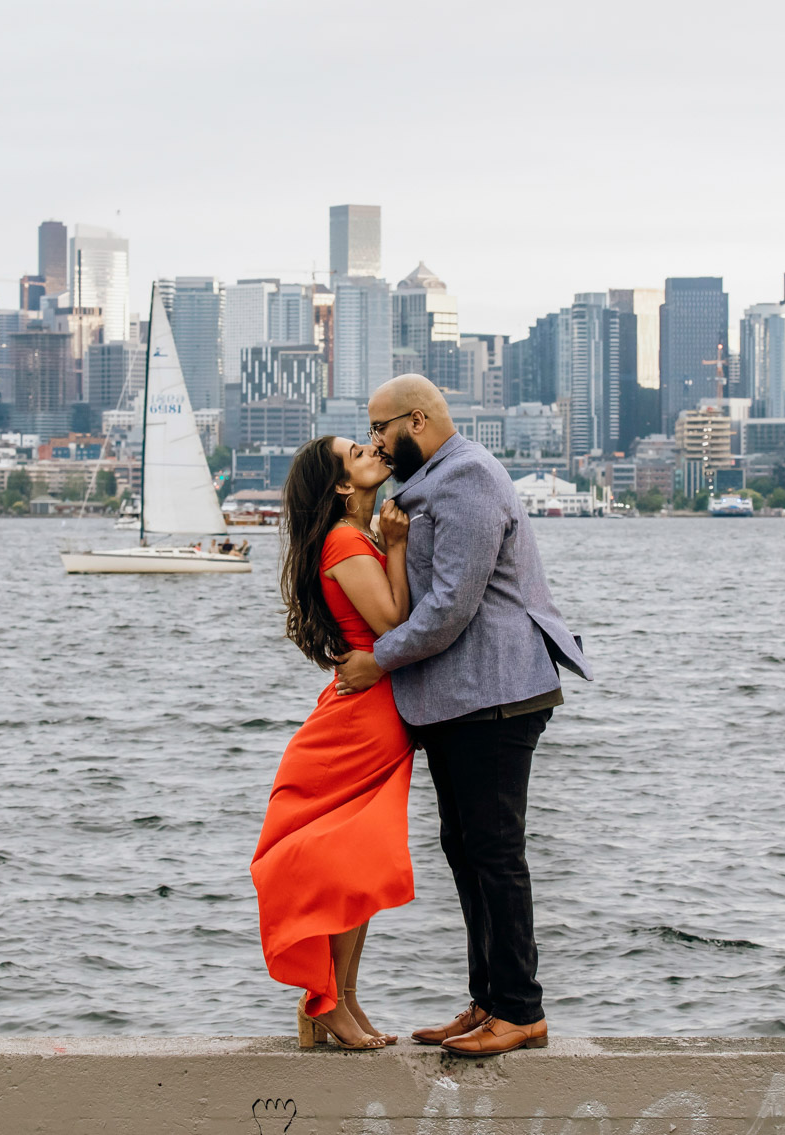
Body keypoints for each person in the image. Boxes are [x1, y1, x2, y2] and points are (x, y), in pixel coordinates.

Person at [332, 374, 592, 1057]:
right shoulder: (431, 484)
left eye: (379, 429)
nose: (375, 444)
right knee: (466, 847)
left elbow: (449, 606)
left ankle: (520, 1009)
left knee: (495, 851)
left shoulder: (469, 478)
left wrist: (377, 660)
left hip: (496, 695)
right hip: (460, 698)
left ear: (415, 421)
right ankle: (488, 998)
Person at [250, 434, 416, 1050]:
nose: (373, 449)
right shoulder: (348, 540)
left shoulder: (358, 536)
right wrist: (397, 546)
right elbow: (394, 627)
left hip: (372, 714)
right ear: (343, 485)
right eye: (357, 452)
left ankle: (338, 1000)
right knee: (351, 865)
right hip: (362, 719)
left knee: (361, 867)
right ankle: (325, 1000)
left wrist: (391, 541)